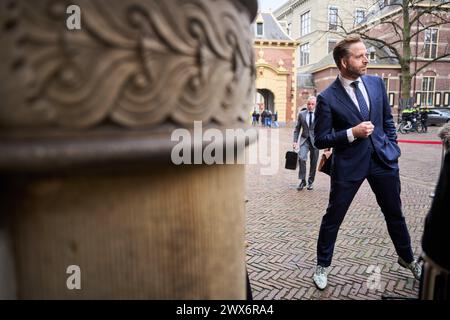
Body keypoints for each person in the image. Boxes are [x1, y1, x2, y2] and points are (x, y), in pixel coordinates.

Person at [312, 35, 421, 290]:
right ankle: (322, 264)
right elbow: (320, 139)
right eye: (359, 56)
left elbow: (387, 120)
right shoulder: (327, 98)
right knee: (334, 217)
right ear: (343, 62)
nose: (366, 59)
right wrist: (352, 133)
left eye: (366, 54)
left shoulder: (375, 83)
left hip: (383, 160)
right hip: (349, 165)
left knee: (395, 213)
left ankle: (407, 258)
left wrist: (393, 146)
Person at [293, 96, 319, 190]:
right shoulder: (301, 114)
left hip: (316, 141)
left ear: (315, 105)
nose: (310, 106)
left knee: (313, 162)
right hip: (304, 140)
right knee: (301, 158)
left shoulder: (319, 114)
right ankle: (302, 181)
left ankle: (310, 182)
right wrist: (295, 141)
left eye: (312, 104)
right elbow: (297, 129)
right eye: (309, 104)